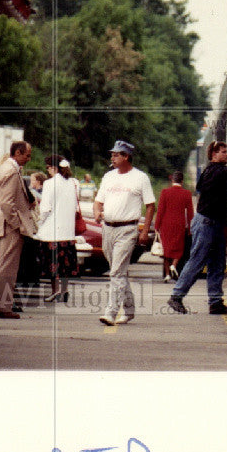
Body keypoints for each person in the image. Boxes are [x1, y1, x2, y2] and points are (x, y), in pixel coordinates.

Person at [167, 141, 227, 315]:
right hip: (207, 224)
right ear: (214, 154)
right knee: (197, 261)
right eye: (223, 151)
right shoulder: (215, 171)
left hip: (214, 224)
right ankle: (176, 296)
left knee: (217, 264)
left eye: (226, 151)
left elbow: (217, 200)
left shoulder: (210, 172)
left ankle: (215, 302)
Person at [94, 140, 155, 326]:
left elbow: (150, 205)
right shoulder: (109, 177)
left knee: (117, 272)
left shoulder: (140, 178)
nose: (112, 158)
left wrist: (144, 231)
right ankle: (129, 310)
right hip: (108, 228)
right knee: (118, 271)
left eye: (116, 154)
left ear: (126, 156)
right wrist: (97, 212)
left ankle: (110, 312)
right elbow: (99, 200)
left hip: (127, 229)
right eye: (112, 154)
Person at [0, 141, 37, 319]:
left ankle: (0, 305)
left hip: (4, 224)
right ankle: (3, 307)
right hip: (10, 227)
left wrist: (1, 216)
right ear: (18, 152)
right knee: (7, 268)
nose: (28, 159)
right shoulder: (11, 171)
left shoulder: (3, 169)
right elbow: (7, 203)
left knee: (3, 267)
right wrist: (16, 224)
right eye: (27, 155)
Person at [37, 155, 80, 302]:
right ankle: (65, 290)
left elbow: (45, 209)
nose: (47, 170)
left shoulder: (49, 184)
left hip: (51, 231)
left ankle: (55, 291)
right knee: (65, 264)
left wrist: (38, 225)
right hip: (68, 231)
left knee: (53, 264)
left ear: (53, 167)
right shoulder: (74, 183)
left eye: (48, 167)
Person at [154, 171, 194, 282]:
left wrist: (157, 226)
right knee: (178, 248)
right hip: (179, 224)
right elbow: (190, 213)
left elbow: (160, 211)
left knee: (166, 249)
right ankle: (174, 266)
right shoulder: (187, 193)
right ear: (182, 181)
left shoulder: (165, 192)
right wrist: (190, 228)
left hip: (166, 224)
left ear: (172, 180)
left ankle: (167, 274)